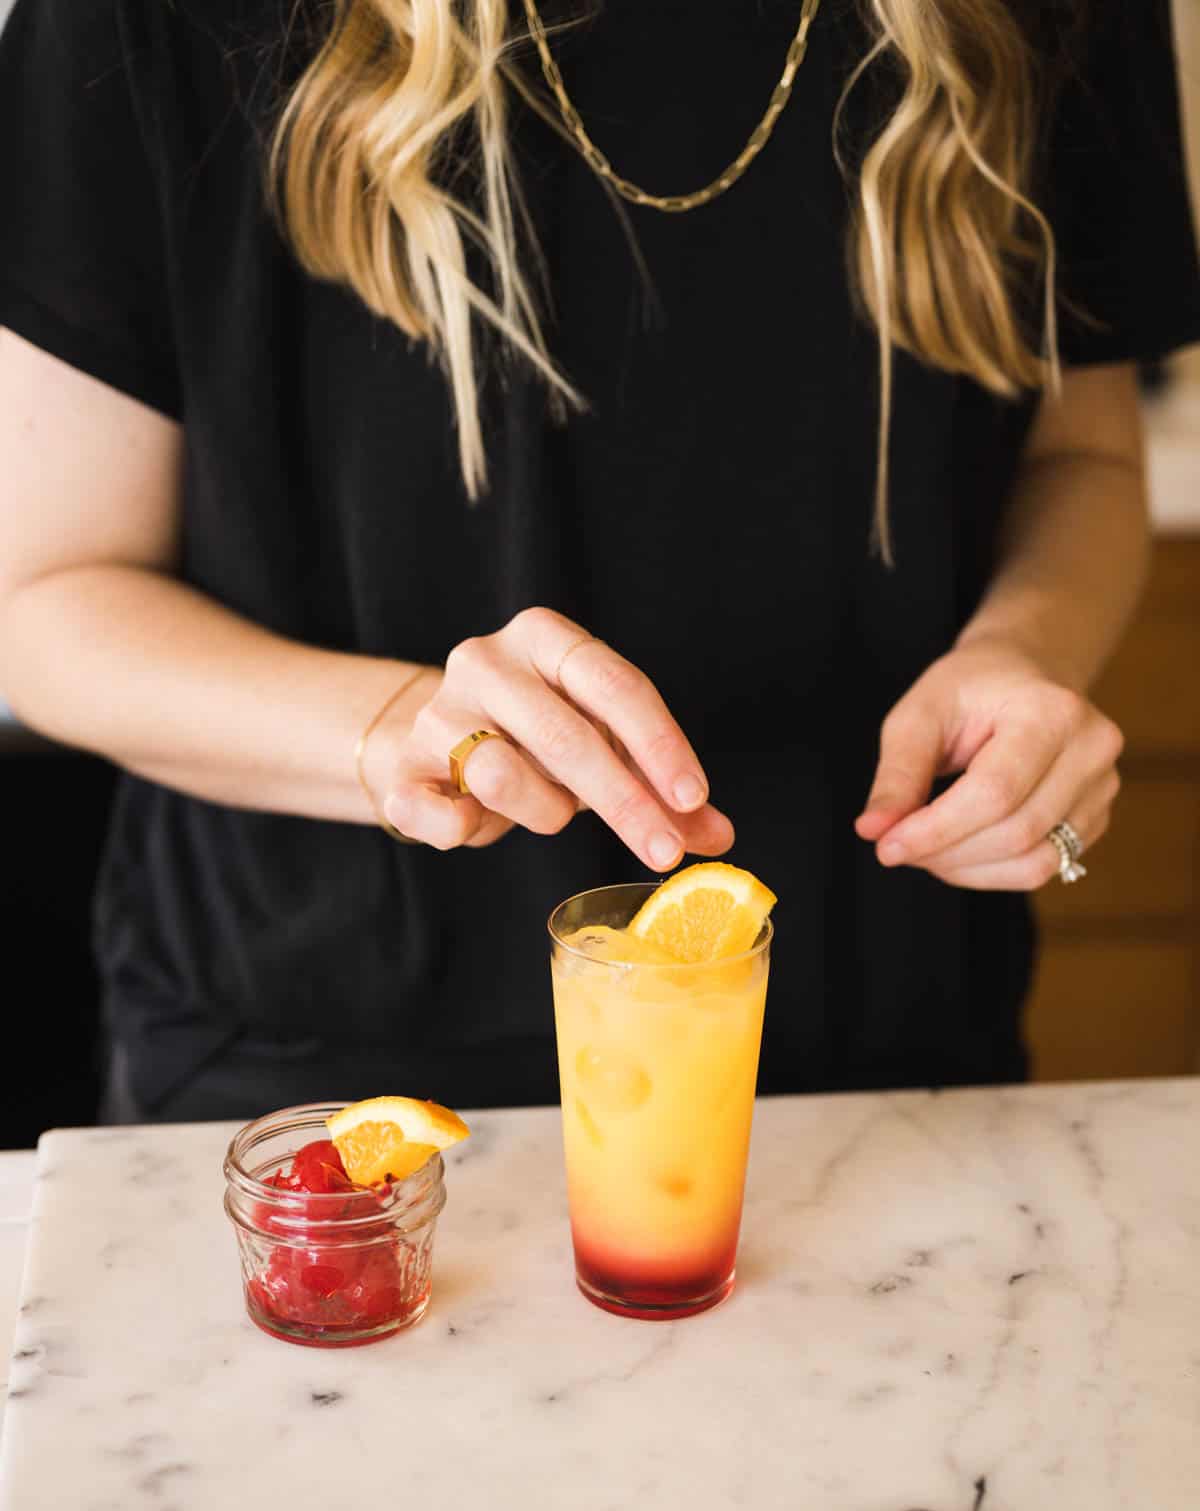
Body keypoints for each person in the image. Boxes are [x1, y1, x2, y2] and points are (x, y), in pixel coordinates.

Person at [0, 0, 1197, 1124]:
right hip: (318, 1076)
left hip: (886, 1048)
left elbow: (1078, 456)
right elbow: (44, 601)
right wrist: (402, 729)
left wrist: (1022, 650)